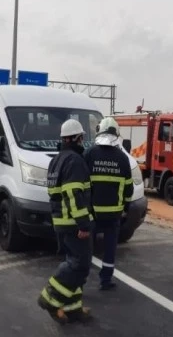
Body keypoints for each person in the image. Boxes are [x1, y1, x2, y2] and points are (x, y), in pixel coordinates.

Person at [37, 119, 94, 324]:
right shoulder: (75, 161)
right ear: (78, 138)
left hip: (61, 220)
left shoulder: (57, 159)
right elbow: (73, 194)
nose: (83, 141)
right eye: (82, 138)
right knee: (80, 265)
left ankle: (72, 308)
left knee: (73, 262)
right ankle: (50, 298)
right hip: (73, 222)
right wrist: (83, 224)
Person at [84, 117, 134, 290]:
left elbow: (82, 183)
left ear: (100, 131)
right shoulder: (122, 158)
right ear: (116, 134)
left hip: (92, 213)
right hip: (114, 214)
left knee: (87, 246)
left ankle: (81, 278)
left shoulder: (89, 153)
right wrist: (126, 207)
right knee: (110, 247)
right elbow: (129, 188)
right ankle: (106, 280)